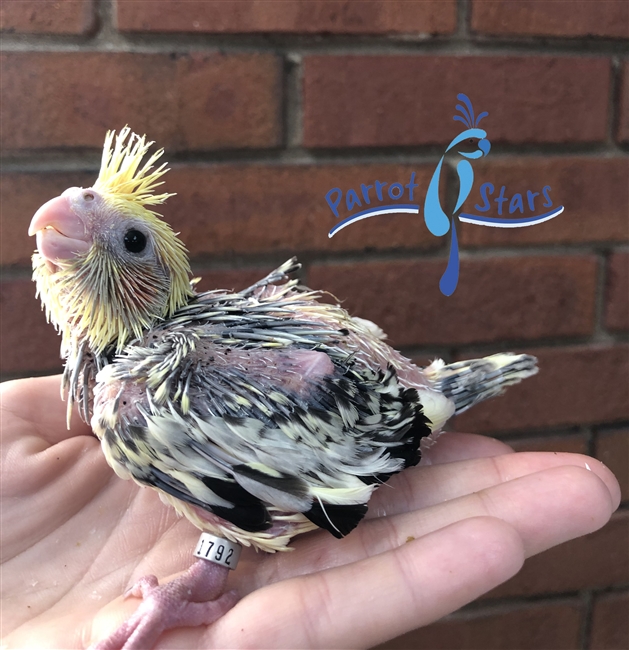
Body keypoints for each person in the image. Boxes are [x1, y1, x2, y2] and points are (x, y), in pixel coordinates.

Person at [1, 375, 620, 649]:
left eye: (130, 240)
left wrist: (208, 567)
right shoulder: (123, 397)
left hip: (365, 432)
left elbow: (259, 501)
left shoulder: (137, 404)